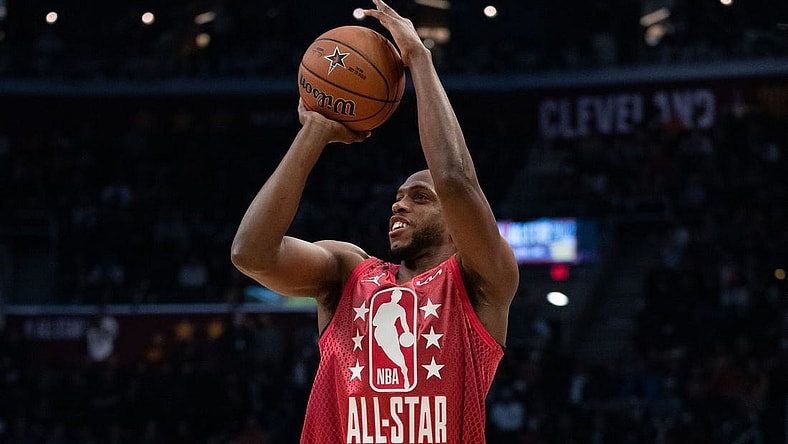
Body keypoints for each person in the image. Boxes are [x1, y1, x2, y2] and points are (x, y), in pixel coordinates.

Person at [230, 0, 519, 442]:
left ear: (455, 221)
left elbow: (456, 179)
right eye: (397, 198)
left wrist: (420, 59)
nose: (398, 206)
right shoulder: (348, 272)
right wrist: (314, 133)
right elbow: (250, 254)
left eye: (419, 197)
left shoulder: (480, 281)